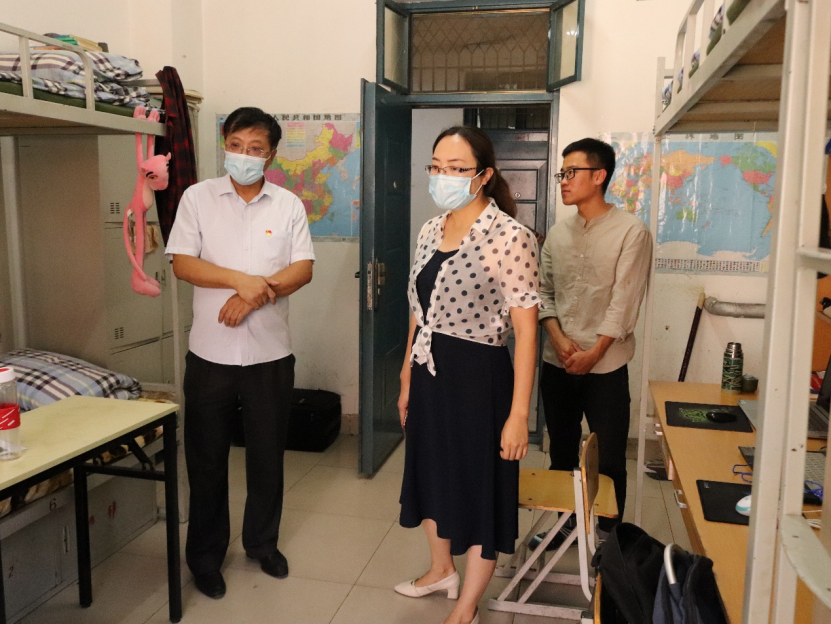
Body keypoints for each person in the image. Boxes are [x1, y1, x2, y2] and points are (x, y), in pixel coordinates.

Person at [165, 107, 315, 599]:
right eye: (235, 145)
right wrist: (239, 280)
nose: (244, 155)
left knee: (267, 458)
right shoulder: (198, 198)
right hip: (209, 355)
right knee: (206, 461)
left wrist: (253, 295)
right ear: (224, 144)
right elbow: (183, 264)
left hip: (270, 356)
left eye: (255, 149)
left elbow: (302, 269)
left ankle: (262, 545)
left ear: (271, 154)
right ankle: (205, 558)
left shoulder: (288, 205)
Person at [396, 126, 541, 624]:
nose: (444, 177)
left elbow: (527, 333)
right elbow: (419, 312)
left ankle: (466, 606)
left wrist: (519, 415)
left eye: (457, 169)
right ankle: (442, 570)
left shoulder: (511, 238)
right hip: (428, 374)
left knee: (480, 489)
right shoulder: (429, 230)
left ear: (484, 175)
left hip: (480, 382)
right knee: (430, 473)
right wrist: (406, 376)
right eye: (437, 167)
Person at [535, 138, 652, 548]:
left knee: (610, 455)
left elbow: (624, 301)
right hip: (558, 362)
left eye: (572, 172)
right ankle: (565, 523)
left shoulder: (631, 232)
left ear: (599, 175)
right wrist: (557, 336)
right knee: (561, 450)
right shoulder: (558, 233)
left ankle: (608, 535)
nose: (563, 181)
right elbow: (543, 291)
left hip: (606, 366)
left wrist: (595, 352)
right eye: (562, 173)